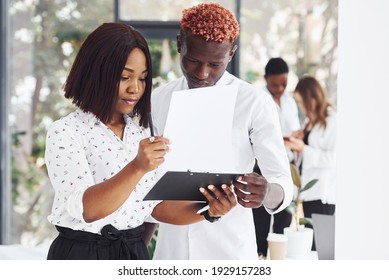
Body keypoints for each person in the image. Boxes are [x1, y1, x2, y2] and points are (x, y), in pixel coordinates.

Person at [44, 22, 237, 260]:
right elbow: (88, 210)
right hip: (82, 255)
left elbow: (156, 207)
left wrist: (210, 211)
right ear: (96, 73)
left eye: (143, 78)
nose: (135, 89)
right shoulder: (66, 131)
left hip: (133, 253)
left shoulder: (141, 132)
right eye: (125, 77)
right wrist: (138, 166)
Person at [151, 3, 293, 260]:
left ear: (231, 54)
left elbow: (283, 179)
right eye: (193, 60)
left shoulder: (254, 102)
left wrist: (267, 192)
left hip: (229, 250)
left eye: (215, 64)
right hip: (172, 252)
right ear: (179, 43)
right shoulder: (158, 100)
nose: (202, 73)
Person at [252, 57, 301, 259]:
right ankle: (259, 258)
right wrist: (282, 139)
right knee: (260, 221)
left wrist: (296, 137)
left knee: (284, 219)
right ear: (266, 79)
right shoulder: (258, 99)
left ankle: (279, 262)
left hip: (287, 166)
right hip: (261, 168)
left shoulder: (290, 102)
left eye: (284, 84)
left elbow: (295, 130)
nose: (280, 88)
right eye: (275, 84)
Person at [284, 75, 336, 249]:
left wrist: (303, 148)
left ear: (311, 98)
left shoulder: (333, 121)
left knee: (323, 248)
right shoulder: (310, 121)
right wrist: (297, 141)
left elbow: (332, 159)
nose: (300, 107)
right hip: (309, 191)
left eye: (301, 102)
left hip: (323, 193)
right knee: (312, 247)